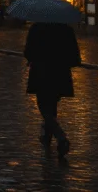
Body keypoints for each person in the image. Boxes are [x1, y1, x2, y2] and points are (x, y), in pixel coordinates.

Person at [24, 22, 81, 159]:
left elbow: (28, 52)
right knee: (52, 105)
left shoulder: (37, 28)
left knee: (44, 107)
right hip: (60, 74)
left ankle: (60, 137)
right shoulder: (66, 28)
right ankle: (46, 137)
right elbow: (75, 56)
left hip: (41, 72)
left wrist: (33, 58)